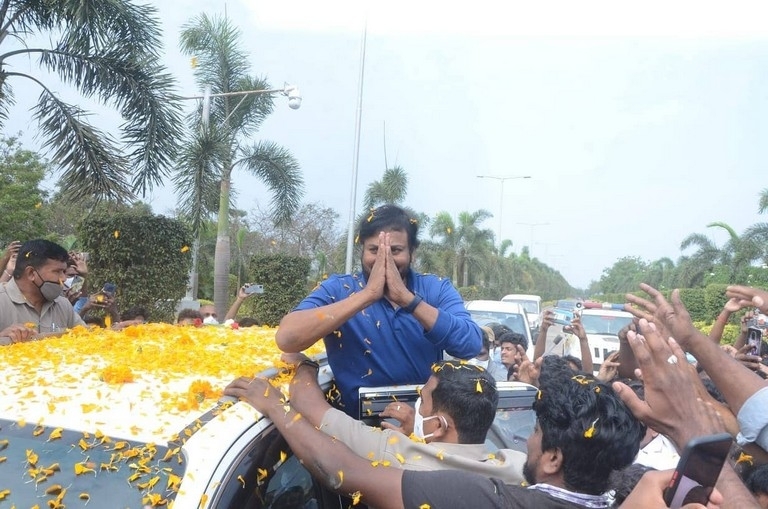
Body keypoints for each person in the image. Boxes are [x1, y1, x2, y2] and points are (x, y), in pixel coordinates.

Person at [224, 358, 646, 508]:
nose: (528, 440)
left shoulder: (475, 497)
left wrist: (289, 384)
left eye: (537, 432)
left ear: (555, 459)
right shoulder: (513, 466)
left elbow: (335, 468)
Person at [275, 204, 481, 415]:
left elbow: (471, 345)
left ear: (412, 253)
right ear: (362, 251)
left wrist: (407, 300)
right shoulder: (338, 289)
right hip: (356, 430)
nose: (385, 259)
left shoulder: (436, 289)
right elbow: (287, 339)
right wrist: (367, 295)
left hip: (422, 428)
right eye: (374, 250)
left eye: (396, 251)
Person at [276, 355, 525, 483]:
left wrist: (307, 364)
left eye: (423, 401)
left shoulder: (397, 453)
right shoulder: (516, 467)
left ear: (438, 426)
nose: (415, 408)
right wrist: (418, 437)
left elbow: (307, 404)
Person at [0, 239, 85, 344]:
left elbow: (85, 338)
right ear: (31, 273)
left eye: (64, 271)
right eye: (57, 271)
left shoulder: (63, 304)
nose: (63, 278)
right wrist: (3, 338)